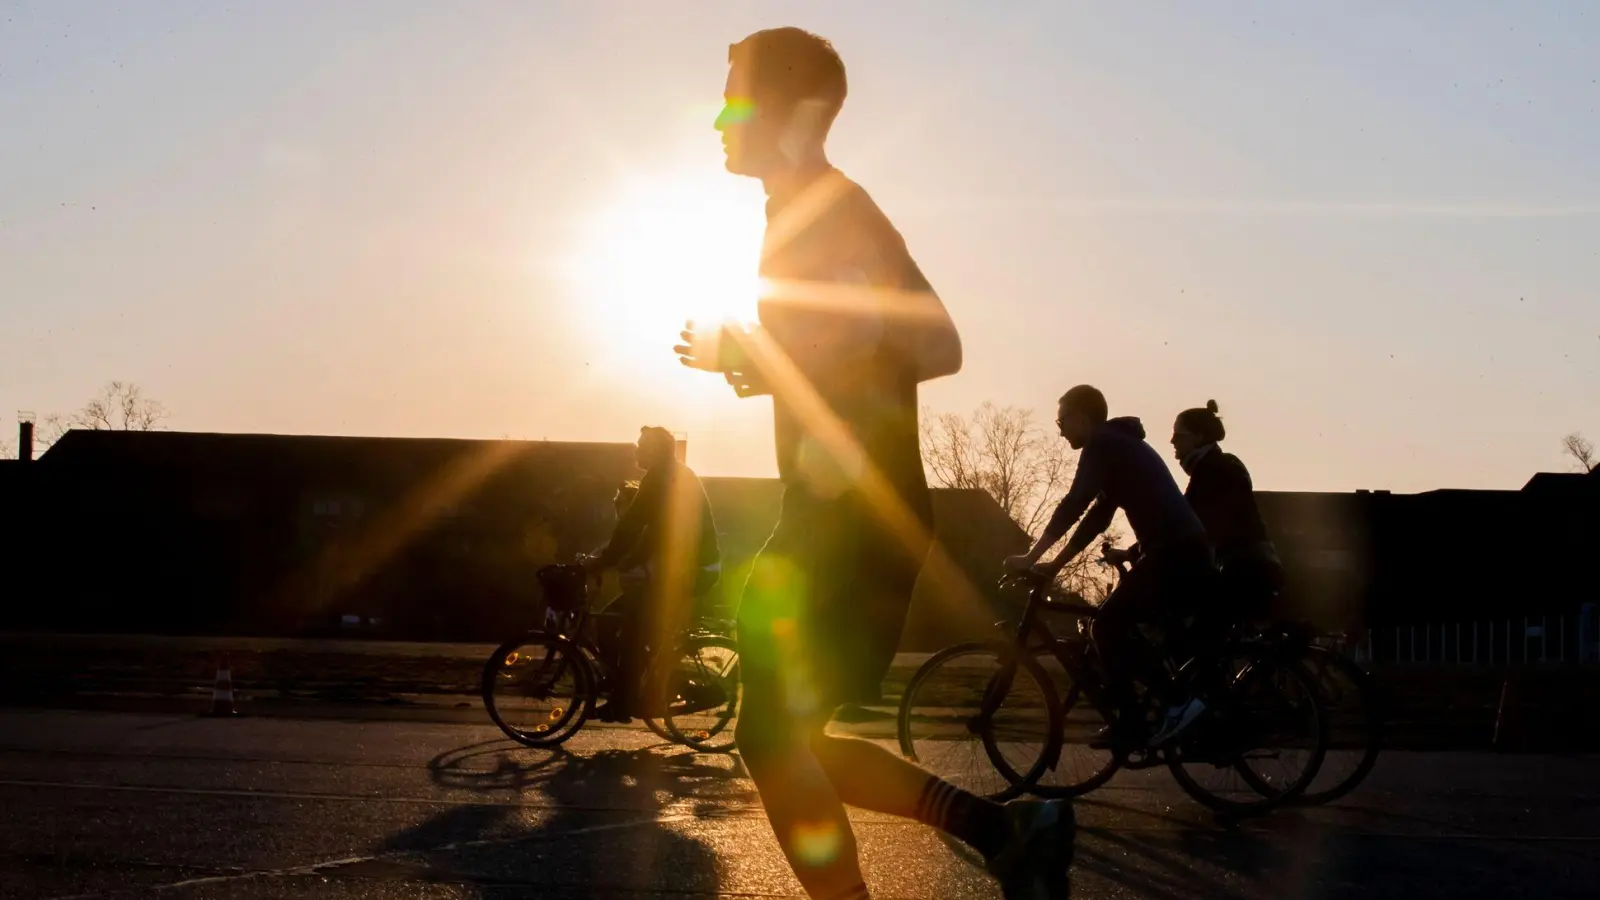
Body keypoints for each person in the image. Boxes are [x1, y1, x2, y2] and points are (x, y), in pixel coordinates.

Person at [674, 27, 1073, 900]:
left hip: (849, 518)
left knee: (772, 740)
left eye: (733, 97)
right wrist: (768, 359)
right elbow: (917, 345)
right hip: (847, 513)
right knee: (793, 738)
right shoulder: (811, 209)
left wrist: (761, 353)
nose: (717, 117)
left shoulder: (828, 210)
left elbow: (921, 343)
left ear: (784, 110)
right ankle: (1004, 830)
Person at [1005, 385, 1215, 750]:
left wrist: (1030, 557)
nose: (1060, 429)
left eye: (1062, 420)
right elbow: (1096, 519)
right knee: (1113, 625)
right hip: (1179, 550)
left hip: (1174, 552)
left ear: (1082, 416)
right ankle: (1156, 712)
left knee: (1106, 626)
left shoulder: (1102, 444)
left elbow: (1074, 503)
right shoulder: (1118, 447)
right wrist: (1052, 565)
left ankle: (1170, 707)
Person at [585, 427, 721, 722]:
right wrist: (613, 559)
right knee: (608, 624)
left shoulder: (662, 477)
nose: (636, 450)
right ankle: (635, 687)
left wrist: (604, 561)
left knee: (632, 633)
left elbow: (633, 524)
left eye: (641, 445)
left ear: (658, 450)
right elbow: (649, 532)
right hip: (677, 568)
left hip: (692, 569)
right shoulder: (668, 474)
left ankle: (627, 701)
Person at [1167, 400, 1283, 620]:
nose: (1172, 441)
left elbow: (1184, 522)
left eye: (1179, 435)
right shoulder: (1222, 465)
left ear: (1199, 437)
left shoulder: (1211, 471)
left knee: (1193, 629)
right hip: (1258, 566)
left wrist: (1140, 550)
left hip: (1244, 569)